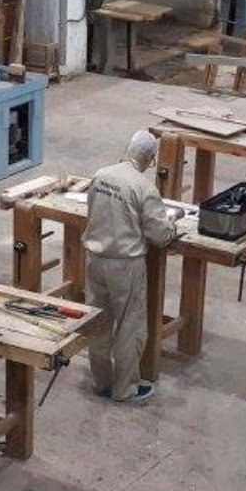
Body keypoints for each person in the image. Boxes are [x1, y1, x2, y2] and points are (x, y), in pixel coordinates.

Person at [83, 130, 177, 404]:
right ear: (149, 159)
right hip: (125, 265)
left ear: (127, 150)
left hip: (95, 259)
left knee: (98, 322)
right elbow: (160, 235)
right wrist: (172, 225)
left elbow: (92, 211)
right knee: (129, 327)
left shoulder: (101, 175)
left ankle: (101, 382)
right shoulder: (143, 187)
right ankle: (125, 389)